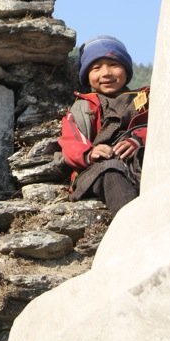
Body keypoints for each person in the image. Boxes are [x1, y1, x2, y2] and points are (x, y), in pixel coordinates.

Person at [58, 36, 149, 216]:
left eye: (114, 65)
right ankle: (132, 225)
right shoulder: (82, 107)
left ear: (126, 69)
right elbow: (70, 141)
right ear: (86, 75)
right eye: (96, 68)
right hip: (98, 169)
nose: (106, 73)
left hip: (138, 163)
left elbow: (165, 128)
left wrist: (138, 139)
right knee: (112, 170)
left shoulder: (145, 100)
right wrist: (90, 153)